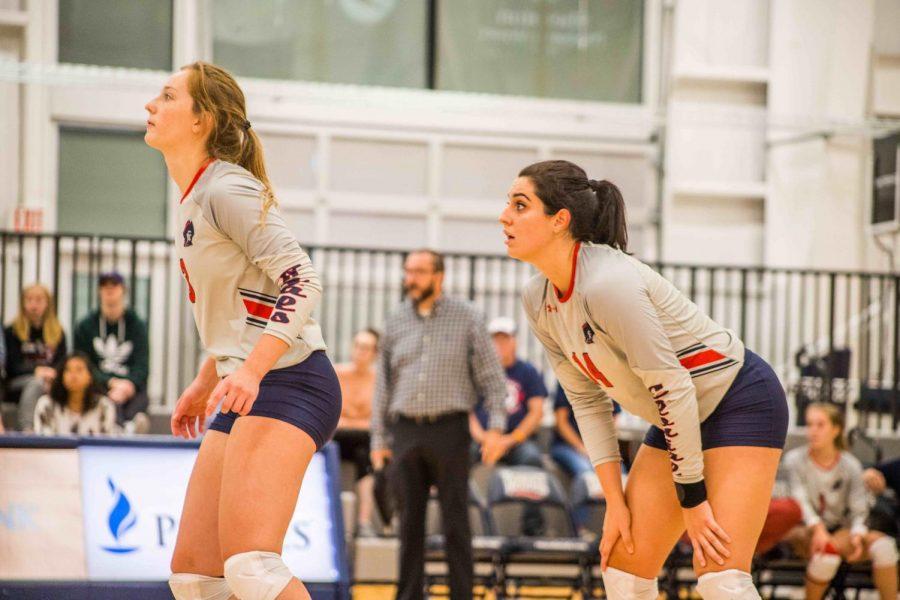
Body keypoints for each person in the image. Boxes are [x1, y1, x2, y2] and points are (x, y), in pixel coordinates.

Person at [499, 159, 789, 599]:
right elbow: (587, 403)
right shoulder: (537, 299)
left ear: (560, 220)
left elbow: (673, 387)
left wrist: (692, 500)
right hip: (677, 415)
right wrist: (615, 503)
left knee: (720, 577)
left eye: (520, 205)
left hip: (738, 400)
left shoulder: (608, 282)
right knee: (623, 567)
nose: (504, 216)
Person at [145, 61, 341, 600]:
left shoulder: (226, 188)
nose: (150, 105)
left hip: (292, 380)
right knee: (195, 578)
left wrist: (251, 372)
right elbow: (243, 311)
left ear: (201, 120)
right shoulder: (194, 194)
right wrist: (207, 380)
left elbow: (302, 279)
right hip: (248, 384)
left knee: (252, 567)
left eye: (166, 96)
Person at [370, 249, 507, 600]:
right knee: (409, 525)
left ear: (439, 276)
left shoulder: (469, 317)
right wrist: (378, 440)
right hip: (405, 431)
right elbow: (383, 386)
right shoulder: (395, 320)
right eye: (407, 272)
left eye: (418, 272)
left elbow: (492, 380)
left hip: (450, 429)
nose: (410, 279)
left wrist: (495, 428)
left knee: (455, 524)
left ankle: (461, 595)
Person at [783, 403, 898, 600]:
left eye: (820, 425)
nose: (813, 431)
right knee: (826, 555)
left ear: (836, 429)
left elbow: (859, 508)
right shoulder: (794, 460)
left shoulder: (850, 464)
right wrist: (818, 530)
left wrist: (857, 533)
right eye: (809, 424)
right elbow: (799, 500)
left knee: (885, 547)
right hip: (805, 530)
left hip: (842, 530)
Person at [74, 272, 150, 433]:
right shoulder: (85, 326)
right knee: (105, 398)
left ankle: (126, 427)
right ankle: (126, 429)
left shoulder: (137, 324)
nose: (109, 291)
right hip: (99, 385)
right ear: (99, 291)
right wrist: (110, 382)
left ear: (123, 290)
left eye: (114, 286)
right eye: (104, 287)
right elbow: (83, 364)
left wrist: (127, 385)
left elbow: (142, 365)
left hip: (130, 387)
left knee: (140, 395)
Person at [334, 327, 380, 536]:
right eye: (358, 346)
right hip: (334, 437)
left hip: (362, 440)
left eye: (366, 348)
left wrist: (350, 420)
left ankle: (363, 521)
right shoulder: (337, 373)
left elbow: (377, 422)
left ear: (374, 354)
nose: (361, 351)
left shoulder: (378, 381)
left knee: (367, 452)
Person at [3, 283, 67, 431]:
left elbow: (62, 364)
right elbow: (12, 366)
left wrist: (51, 375)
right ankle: (27, 429)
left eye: (38, 300)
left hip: (50, 380)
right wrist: (36, 371)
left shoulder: (58, 332)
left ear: (47, 303)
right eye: (29, 299)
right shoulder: (12, 331)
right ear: (23, 303)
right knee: (36, 383)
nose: (33, 305)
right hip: (18, 382)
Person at [33, 352, 117, 436]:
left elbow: (108, 443)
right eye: (68, 370)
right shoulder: (46, 405)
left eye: (79, 370)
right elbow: (43, 442)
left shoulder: (104, 406)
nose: (73, 375)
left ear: (90, 377)